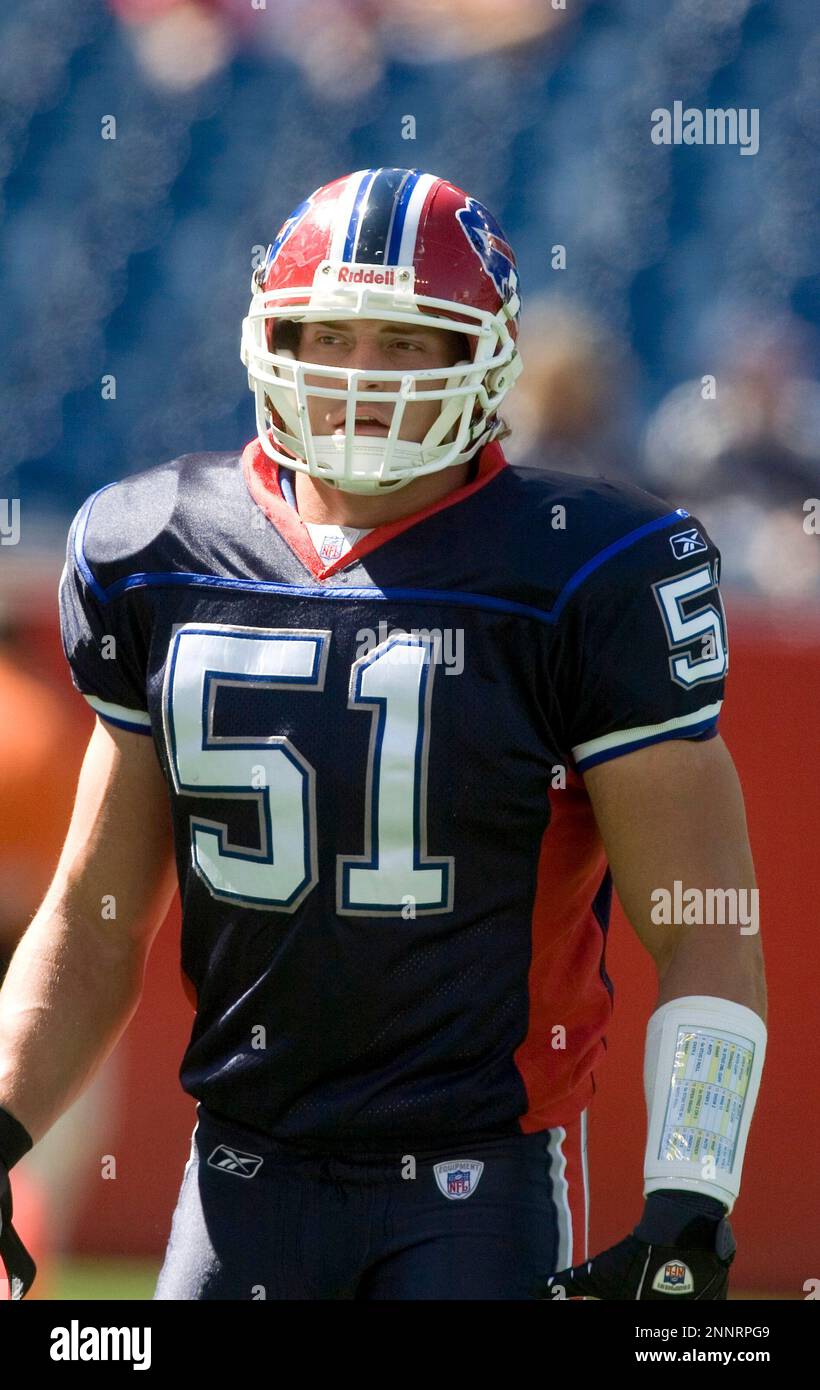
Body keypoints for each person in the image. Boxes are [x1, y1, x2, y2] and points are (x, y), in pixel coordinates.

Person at [0, 167, 766, 1301]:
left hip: (476, 1187)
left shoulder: (588, 570)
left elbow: (701, 921)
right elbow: (96, 914)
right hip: (239, 1176)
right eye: (332, 334)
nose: (362, 377)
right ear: (271, 335)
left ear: (483, 359)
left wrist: (691, 1193)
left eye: (409, 343)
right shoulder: (159, 546)